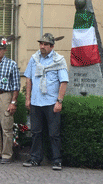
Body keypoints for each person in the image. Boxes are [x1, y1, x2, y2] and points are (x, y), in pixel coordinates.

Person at [23, 33, 69, 171]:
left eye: (45, 44)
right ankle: (35, 158)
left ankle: (56, 160)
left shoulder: (59, 60)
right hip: (36, 102)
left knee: (54, 133)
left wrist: (59, 101)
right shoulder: (34, 58)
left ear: (52, 46)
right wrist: (28, 98)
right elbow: (29, 79)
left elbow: (64, 82)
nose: (42, 46)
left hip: (50, 102)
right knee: (36, 132)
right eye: (41, 44)